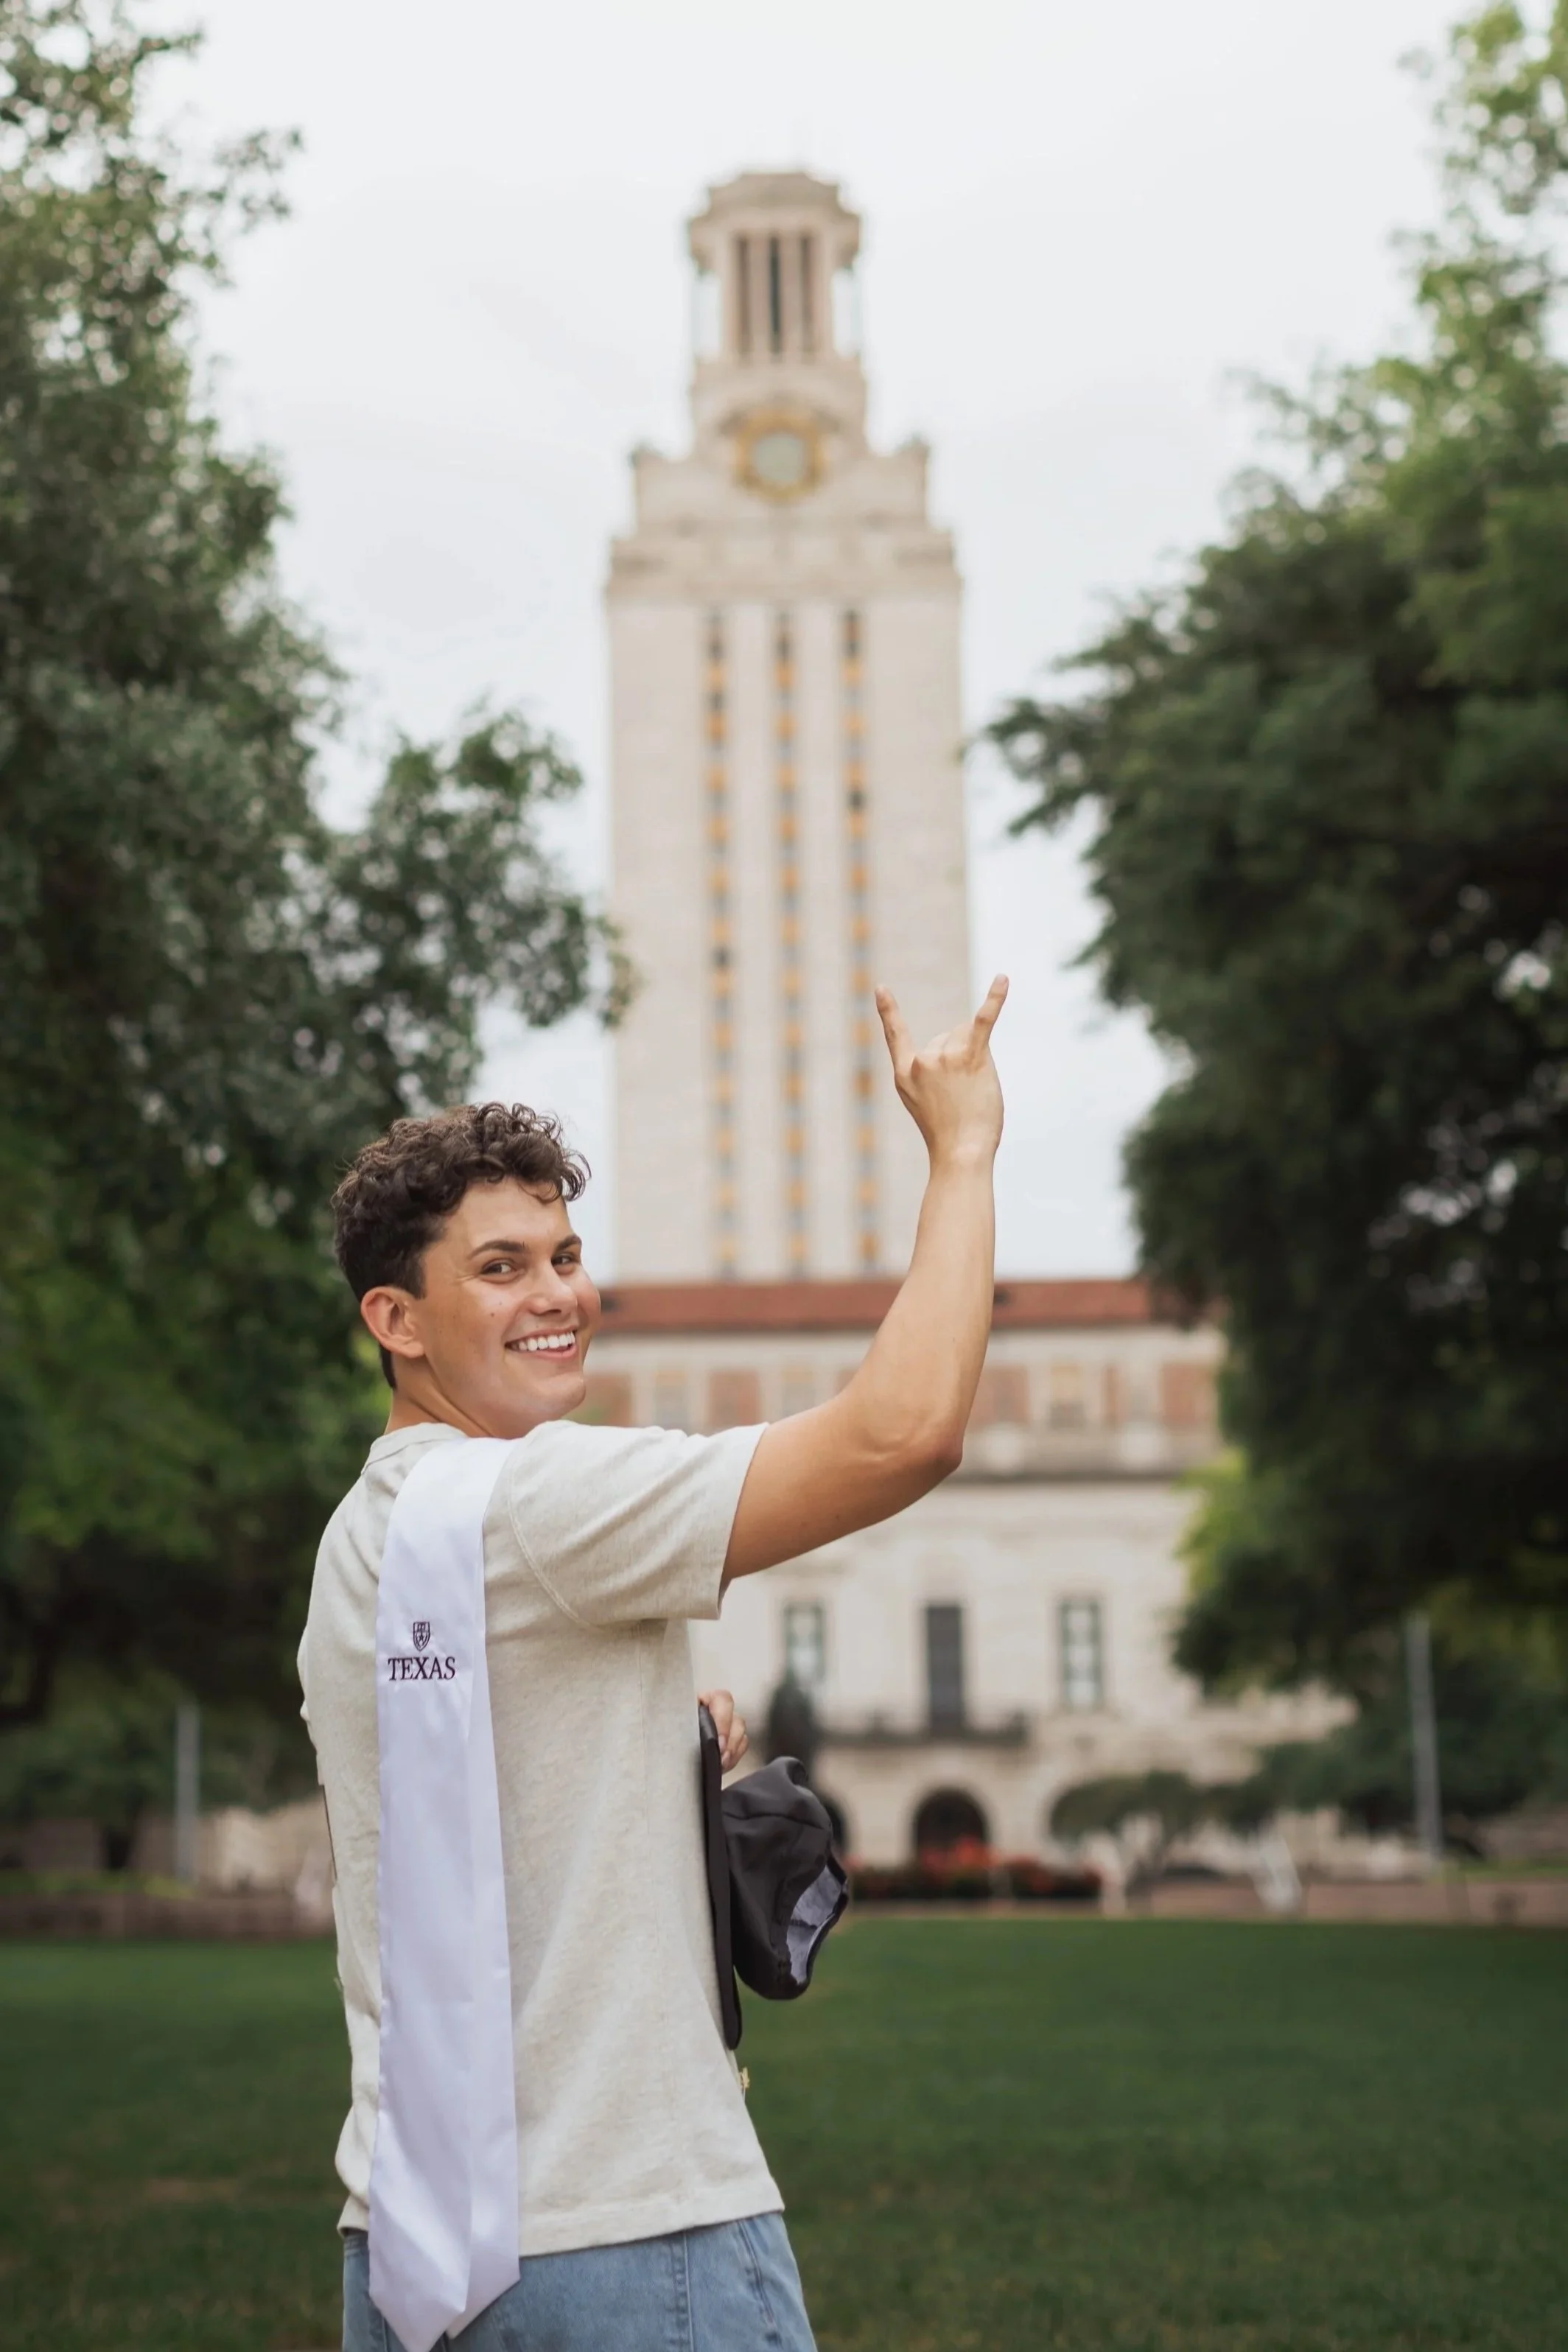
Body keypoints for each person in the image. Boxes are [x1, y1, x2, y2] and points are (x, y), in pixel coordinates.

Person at [298, 974, 1007, 2352]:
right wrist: (964, 1149)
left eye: (564, 1255)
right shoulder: (541, 1499)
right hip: (631, 2243)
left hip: (404, 2253)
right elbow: (901, 1432)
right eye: (499, 1269)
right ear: (398, 1319)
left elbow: (475, 1774)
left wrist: (641, 1732)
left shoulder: (365, 1541)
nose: (560, 1294)